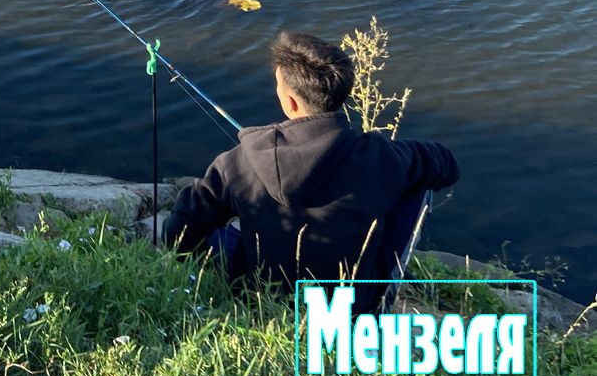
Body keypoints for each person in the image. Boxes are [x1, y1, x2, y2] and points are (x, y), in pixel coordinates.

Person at [162, 29, 458, 294]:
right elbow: (446, 164)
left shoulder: (240, 161)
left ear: (290, 102)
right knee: (419, 186)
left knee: (220, 222)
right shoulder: (382, 156)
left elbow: (180, 228)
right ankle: (381, 285)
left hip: (258, 295)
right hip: (351, 305)